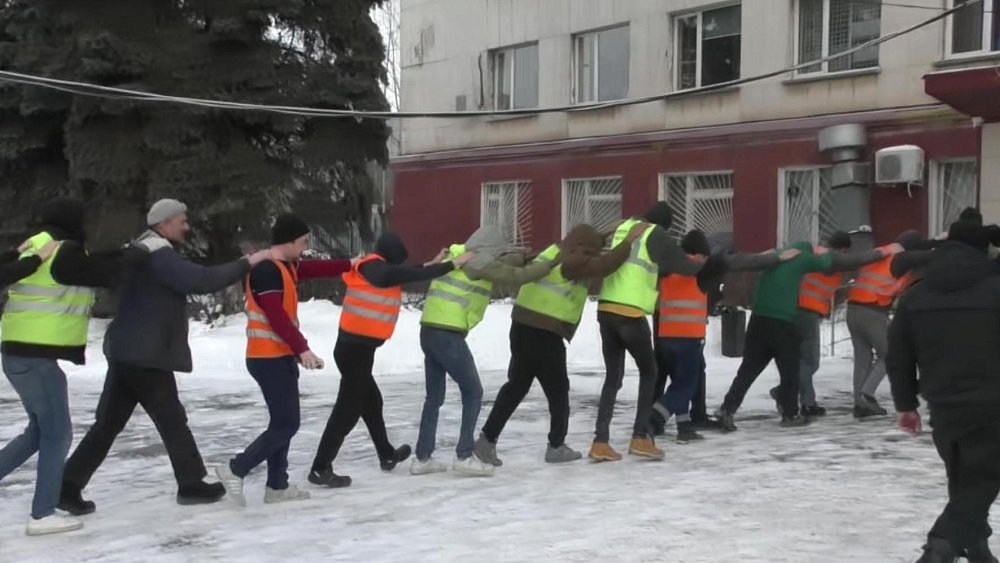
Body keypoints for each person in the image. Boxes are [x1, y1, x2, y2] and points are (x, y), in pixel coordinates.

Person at [61, 199, 272, 515]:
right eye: (181, 221)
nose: (187, 227)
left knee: (108, 426)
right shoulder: (158, 255)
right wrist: (247, 263)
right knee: (172, 420)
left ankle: (67, 487)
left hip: (128, 351)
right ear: (164, 224)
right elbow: (202, 280)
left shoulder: (142, 250)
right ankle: (191, 484)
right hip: (145, 354)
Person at [1, 197, 132, 536]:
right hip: (34, 357)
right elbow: (101, 274)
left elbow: (84, 265)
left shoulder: (40, 244)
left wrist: (118, 251)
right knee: (57, 432)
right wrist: (137, 256)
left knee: (39, 431)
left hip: (18, 353)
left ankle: (44, 507)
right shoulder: (64, 251)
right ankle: (43, 514)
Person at [475, 222, 646, 467]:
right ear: (584, 249)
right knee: (558, 390)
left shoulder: (556, 250)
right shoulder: (573, 263)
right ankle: (556, 446)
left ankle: (487, 440)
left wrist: (603, 234)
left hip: (522, 324)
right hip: (544, 332)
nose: (595, 255)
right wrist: (628, 240)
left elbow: (587, 248)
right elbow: (606, 265)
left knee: (517, 385)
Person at [308, 233, 473, 487]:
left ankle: (386, 454)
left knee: (372, 402)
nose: (397, 267)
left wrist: (430, 264)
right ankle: (320, 467)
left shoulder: (380, 269)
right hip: (353, 351)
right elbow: (396, 275)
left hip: (358, 351)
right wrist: (452, 264)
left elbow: (402, 274)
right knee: (347, 411)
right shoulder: (373, 268)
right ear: (390, 257)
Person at [215, 214, 355, 506]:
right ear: (289, 241)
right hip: (267, 357)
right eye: (303, 242)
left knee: (283, 422)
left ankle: (277, 486)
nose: (305, 248)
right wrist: (302, 349)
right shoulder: (267, 271)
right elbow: (275, 316)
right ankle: (236, 468)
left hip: (279, 356)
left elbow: (314, 268)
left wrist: (352, 263)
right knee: (286, 424)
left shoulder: (286, 266)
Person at [887, 221, 1000, 563]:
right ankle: (941, 547)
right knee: (983, 480)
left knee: (965, 480)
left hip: (944, 406)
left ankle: (976, 546)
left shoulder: (915, 295)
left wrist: (906, 405)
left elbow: (898, 356)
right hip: (993, 402)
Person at [412, 227, 554, 477]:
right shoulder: (477, 264)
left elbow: (507, 262)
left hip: (429, 331)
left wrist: (520, 255)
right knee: (473, 392)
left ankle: (423, 458)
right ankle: (464, 455)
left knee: (434, 397)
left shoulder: (454, 256)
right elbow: (514, 275)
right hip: (448, 334)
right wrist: (551, 262)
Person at [715, 240, 901, 431]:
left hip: (758, 322)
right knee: (790, 371)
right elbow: (845, 261)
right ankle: (789, 414)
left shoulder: (774, 258)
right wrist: (883, 252)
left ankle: (726, 410)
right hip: (782, 323)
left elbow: (742, 262)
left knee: (747, 372)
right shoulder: (802, 259)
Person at [590, 202, 722, 462]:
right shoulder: (655, 233)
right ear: (665, 224)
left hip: (606, 310)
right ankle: (640, 436)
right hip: (630, 313)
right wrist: (700, 262)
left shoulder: (624, 227)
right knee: (650, 372)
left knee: (612, 378)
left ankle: (600, 441)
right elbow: (683, 265)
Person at [650, 230, 796, 442]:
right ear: (699, 253)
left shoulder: (668, 267)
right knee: (684, 386)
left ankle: (684, 428)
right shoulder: (701, 269)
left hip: (665, 336)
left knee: (683, 381)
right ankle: (652, 418)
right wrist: (776, 258)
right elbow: (738, 262)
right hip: (687, 338)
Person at [779, 232, 886, 416]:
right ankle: (784, 391)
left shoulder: (816, 254)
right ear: (845, 249)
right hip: (807, 312)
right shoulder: (831, 260)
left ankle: (808, 403)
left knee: (803, 360)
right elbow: (849, 263)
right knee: (811, 363)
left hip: (795, 310)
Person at [846, 230, 921, 418]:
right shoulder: (901, 260)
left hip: (853, 308)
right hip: (872, 310)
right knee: (889, 355)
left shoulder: (882, 252)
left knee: (862, 358)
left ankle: (860, 403)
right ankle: (867, 395)